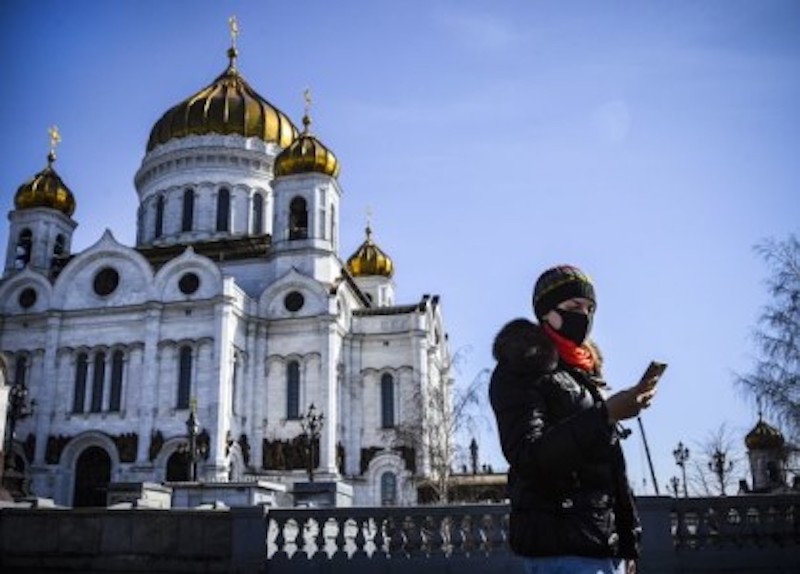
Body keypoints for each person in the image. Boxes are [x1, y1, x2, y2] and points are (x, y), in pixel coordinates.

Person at [489, 265, 659, 574]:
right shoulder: (522, 366)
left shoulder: (580, 375)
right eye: (573, 307)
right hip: (561, 548)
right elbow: (528, 454)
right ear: (545, 313)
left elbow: (608, 470)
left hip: (602, 548)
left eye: (590, 308)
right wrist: (607, 414)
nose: (584, 316)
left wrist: (626, 544)